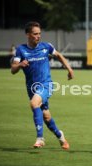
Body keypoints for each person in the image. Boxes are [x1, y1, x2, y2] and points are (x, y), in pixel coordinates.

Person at [11, 21, 74, 149]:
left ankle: (40, 138)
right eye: (35, 34)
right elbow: (13, 69)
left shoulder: (46, 46)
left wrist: (69, 69)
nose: (38, 36)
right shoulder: (21, 50)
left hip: (46, 84)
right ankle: (60, 136)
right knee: (46, 116)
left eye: (39, 34)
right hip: (32, 88)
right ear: (28, 34)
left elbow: (59, 55)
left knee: (34, 104)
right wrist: (19, 65)